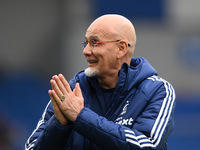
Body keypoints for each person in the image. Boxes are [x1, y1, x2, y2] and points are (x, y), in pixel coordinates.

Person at [25, 14, 176, 150]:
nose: (86, 51)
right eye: (86, 43)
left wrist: (81, 117)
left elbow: (147, 146)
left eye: (95, 42)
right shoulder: (71, 91)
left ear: (121, 48)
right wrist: (59, 126)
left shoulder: (157, 90)